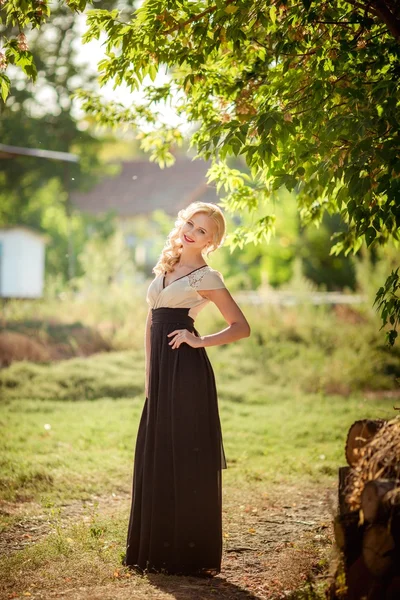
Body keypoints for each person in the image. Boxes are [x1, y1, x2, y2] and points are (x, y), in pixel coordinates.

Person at [122, 201, 251, 577]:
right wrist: (149, 376)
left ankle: (188, 554)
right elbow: (152, 322)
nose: (191, 232)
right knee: (158, 449)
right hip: (161, 372)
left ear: (212, 241)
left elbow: (240, 327)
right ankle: (154, 547)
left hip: (186, 371)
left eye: (202, 231)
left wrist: (199, 341)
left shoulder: (206, 277)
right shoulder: (166, 265)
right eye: (190, 224)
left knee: (185, 452)